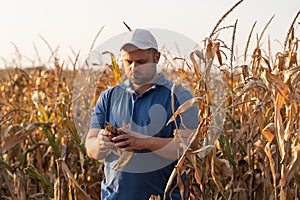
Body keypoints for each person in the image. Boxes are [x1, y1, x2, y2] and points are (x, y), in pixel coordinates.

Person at [85, 28, 199, 200]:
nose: (133, 68)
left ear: (157, 58)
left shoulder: (180, 96)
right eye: (128, 62)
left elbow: (191, 145)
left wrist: (143, 142)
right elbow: (90, 145)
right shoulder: (108, 97)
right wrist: (100, 143)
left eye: (141, 62)